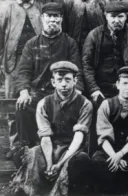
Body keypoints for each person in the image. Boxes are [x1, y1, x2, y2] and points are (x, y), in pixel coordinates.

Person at [9, 61, 93, 196]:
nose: (64, 84)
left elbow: (78, 137)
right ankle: (32, 190)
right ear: (53, 82)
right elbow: (45, 137)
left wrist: (59, 164)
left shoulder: (85, 104)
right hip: (49, 148)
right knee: (27, 155)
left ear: (75, 81)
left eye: (68, 79)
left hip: (72, 150)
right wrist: (49, 164)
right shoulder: (44, 103)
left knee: (81, 161)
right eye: (59, 80)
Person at [14, 2, 83, 154]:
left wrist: (77, 90)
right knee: (23, 108)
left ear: (61, 19)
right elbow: (24, 71)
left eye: (56, 16)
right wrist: (24, 91)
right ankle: (27, 148)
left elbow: (78, 70)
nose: (52, 20)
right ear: (42, 18)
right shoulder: (32, 44)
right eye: (49, 16)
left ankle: (69, 149)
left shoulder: (69, 43)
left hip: (63, 93)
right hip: (40, 93)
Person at [92, 66, 128, 192]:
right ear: (118, 85)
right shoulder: (106, 105)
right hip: (108, 150)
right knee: (97, 160)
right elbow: (103, 136)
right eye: (125, 83)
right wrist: (114, 156)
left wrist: (120, 154)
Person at [82, 0, 128, 106]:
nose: (116, 20)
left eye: (121, 16)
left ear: (126, 16)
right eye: (112, 16)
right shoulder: (94, 35)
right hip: (101, 86)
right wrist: (93, 89)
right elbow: (86, 64)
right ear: (106, 16)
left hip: (127, 85)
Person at [0, 0, 42, 99]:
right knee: (12, 98)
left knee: (36, 96)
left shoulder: (41, 9)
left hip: (38, 59)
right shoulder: (8, 10)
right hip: (13, 60)